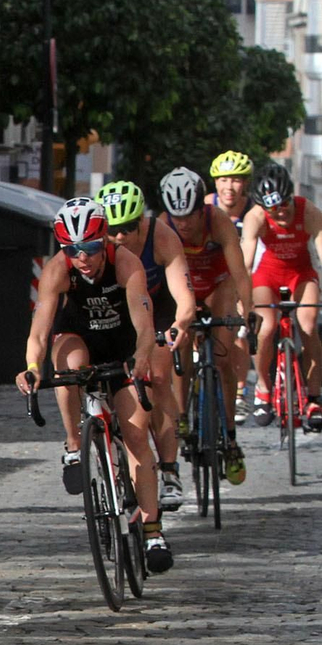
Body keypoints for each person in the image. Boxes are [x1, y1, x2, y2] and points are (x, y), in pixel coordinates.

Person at [18, 197, 172, 573]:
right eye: (72, 249)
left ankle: (152, 531)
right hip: (78, 338)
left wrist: (141, 358)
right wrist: (32, 368)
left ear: (103, 239)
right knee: (68, 365)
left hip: (122, 346)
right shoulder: (58, 269)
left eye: (89, 247)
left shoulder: (126, 263)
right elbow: (39, 332)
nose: (82, 257)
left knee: (136, 434)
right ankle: (74, 442)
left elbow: (144, 326)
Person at [96, 179, 194, 511]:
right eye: (112, 230)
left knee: (160, 378)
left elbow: (184, 296)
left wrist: (180, 324)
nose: (119, 237)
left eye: (127, 228)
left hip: (159, 309)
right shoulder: (98, 247)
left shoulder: (162, 236)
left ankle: (169, 470)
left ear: (141, 221)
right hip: (119, 313)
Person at [158, 166, 253, 484]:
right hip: (182, 286)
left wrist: (249, 310)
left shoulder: (219, 221)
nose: (183, 224)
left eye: (189, 216)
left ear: (202, 209)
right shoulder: (163, 225)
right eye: (177, 217)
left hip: (218, 284)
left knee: (223, 357)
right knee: (181, 343)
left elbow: (239, 273)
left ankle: (230, 437)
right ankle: (182, 415)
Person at [241, 164, 322, 430]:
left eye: (285, 203)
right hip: (268, 275)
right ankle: (263, 388)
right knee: (266, 327)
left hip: (301, 273)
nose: (281, 211)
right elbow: (245, 264)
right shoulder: (256, 217)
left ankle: (313, 397)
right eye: (273, 208)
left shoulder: (308, 211)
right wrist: (242, 301)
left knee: (308, 325)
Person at [207, 150, 258, 423]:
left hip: (245, 272)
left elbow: (249, 262)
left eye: (236, 180)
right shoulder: (205, 207)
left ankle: (239, 389)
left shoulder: (253, 211)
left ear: (245, 183)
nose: (229, 186)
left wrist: (244, 298)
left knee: (238, 329)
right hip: (210, 275)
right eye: (224, 179)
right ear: (215, 182)